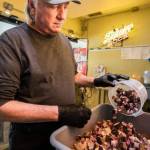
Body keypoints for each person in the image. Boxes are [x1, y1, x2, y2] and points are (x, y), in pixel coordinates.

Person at [0, 0, 129, 149]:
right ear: (32, 5)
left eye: (66, 6)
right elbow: (2, 106)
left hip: (64, 134)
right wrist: (60, 113)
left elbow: (72, 75)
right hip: (31, 141)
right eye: (54, 6)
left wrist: (97, 81)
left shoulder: (64, 41)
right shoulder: (11, 41)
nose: (62, 15)